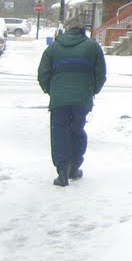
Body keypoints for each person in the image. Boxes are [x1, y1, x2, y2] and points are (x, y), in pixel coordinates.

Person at [38, 25, 106, 186]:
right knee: (77, 130)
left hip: (59, 99)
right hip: (82, 99)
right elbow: (101, 74)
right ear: (83, 33)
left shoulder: (53, 48)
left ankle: (62, 171)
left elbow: (43, 74)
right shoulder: (93, 47)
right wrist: (92, 91)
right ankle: (74, 168)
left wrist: (51, 91)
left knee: (59, 132)